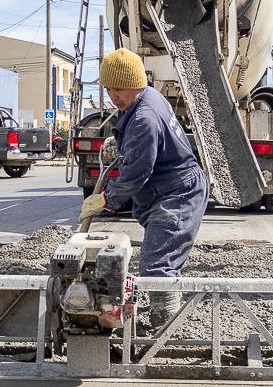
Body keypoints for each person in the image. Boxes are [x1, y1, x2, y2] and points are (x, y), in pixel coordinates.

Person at [79, 48, 209, 325]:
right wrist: (122, 147)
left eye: (119, 88)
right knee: (158, 262)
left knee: (157, 268)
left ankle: (165, 331)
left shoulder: (143, 118)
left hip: (178, 194)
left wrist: (106, 200)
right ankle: (162, 324)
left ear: (135, 82)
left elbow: (135, 175)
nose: (113, 95)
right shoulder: (147, 98)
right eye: (109, 88)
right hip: (170, 190)